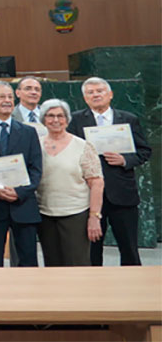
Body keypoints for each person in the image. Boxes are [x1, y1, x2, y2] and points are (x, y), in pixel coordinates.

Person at [66, 77, 151, 266]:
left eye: (100, 91)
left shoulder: (128, 119)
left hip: (123, 194)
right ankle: (93, 284)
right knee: (91, 251)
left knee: (129, 249)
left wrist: (125, 160)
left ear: (110, 94)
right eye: (90, 92)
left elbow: (144, 151)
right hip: (89, 196)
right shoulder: (75, 120)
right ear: (85, 98)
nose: (95, 95)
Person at [0, 81, 42, 267]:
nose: (7, 101)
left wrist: (20, 192)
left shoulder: (28, 132)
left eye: (10, 97)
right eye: (2, 97)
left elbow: (36, 169)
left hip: (23, 205)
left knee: (28, 260)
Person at [37, 99, 104, 266]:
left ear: (67, 120)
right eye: (50, 116)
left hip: (76, 215)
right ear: (43, 120)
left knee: (77, 264)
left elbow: (96, 183)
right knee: (52, 265)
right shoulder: (36, 145)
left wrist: (94, 217)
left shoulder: (83, 146)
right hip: (45, 214)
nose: (55, 120)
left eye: (60, 116)